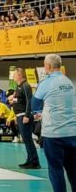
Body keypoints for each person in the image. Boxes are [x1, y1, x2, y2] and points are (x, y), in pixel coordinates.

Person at [31, 54, 76, 192]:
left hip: (54, 133)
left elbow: (34, 105)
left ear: (48, 66)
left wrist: (42, 110)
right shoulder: (69, 82)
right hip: (72, 132)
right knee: (73, 169)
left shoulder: (46, 82)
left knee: (56, 170)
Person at [10, 67, 40, 169]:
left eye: (15, 74)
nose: (13, 76)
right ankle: (29, 160)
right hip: (19, 115)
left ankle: (35, 162)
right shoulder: (18, 86)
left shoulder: (25, 86)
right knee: (26, 139)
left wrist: (27, 115)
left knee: (28, 139)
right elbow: (18, 101)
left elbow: (29, 101)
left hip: (24, 115)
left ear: (19, 75)